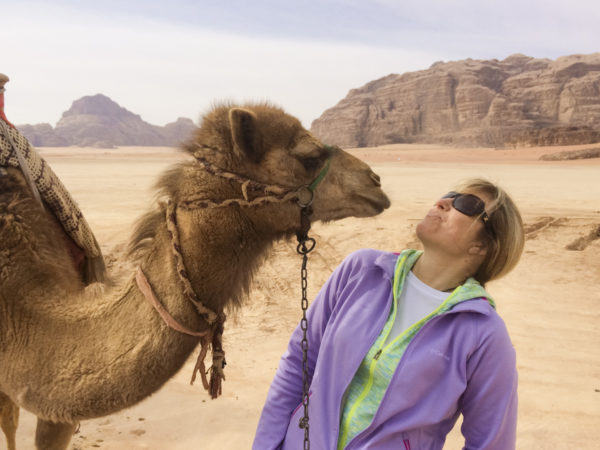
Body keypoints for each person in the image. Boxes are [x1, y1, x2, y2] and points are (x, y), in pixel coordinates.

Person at [253, 178, 524, 450]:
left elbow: (491, 444)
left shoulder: (483, 334)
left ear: (483, 246)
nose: (442, 202)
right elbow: (298, 365)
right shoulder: (362, 270)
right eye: (448, 195)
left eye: (466, 204)